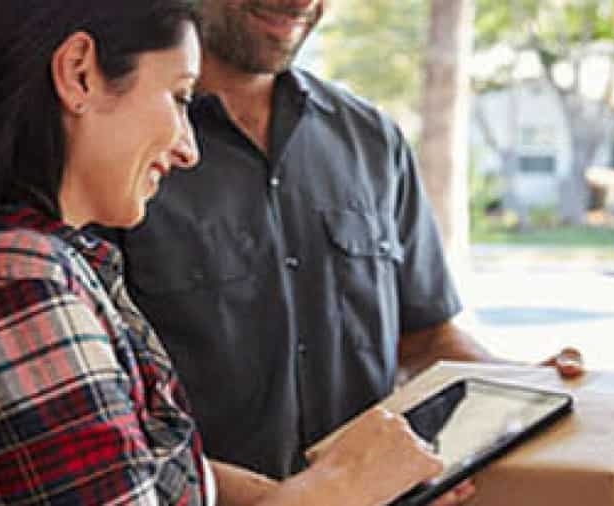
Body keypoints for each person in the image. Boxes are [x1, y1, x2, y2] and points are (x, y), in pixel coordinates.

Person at [0, 1, 445, 504]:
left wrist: (312, 487)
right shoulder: (5, 290)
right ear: (79, 73)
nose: (188, 150)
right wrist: (344, 488)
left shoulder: (45, 265)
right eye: (179, 97)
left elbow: (151, 473)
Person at [100, 0, 584, 493]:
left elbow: (426, 339)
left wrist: (529, 387)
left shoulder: (372, 139)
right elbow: (107, 413)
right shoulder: (123, 156)